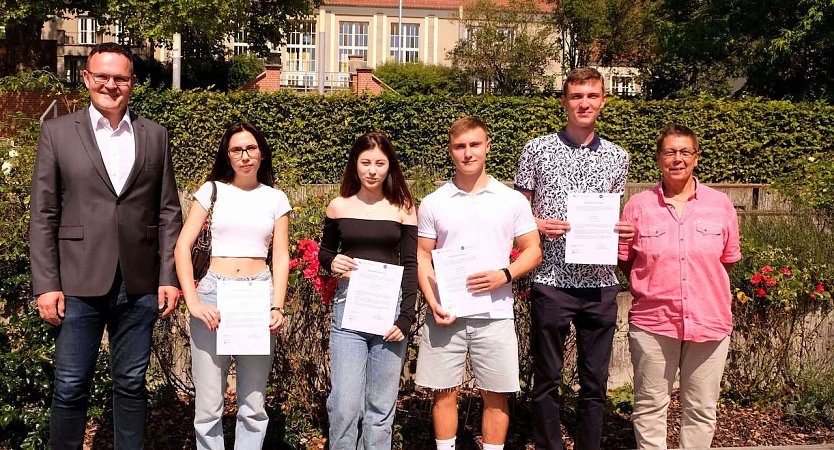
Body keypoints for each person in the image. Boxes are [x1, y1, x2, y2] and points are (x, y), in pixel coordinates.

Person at [28, 42, 182, 449]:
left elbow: (168, 212)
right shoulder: (58, 132)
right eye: (102, 76)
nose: (110, 85)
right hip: (76, 283)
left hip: (140, 283)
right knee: (70, 385)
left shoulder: (155, 136)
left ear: (132, 83)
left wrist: (168, 277)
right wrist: (46, 284)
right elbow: (43, 213)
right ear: (87, 79)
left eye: (120, 78)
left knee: (131, 383)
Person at [513, 67, 634, 450]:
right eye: (577, 96)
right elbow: (514, 213)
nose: (585, 103)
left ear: (603, 101)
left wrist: (621, 230)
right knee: (547, 378)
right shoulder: (536, 149)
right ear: (564, 101)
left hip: (600, 284)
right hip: (551, 280)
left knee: (595, 382)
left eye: (592, 96)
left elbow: (614, 215)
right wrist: (538, 224)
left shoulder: (618, 157)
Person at [415, 116, 542, 450]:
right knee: (443, 392)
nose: (467, 153)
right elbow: (422, 256)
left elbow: (533, 250)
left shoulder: (512, 200)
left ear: (487, 146)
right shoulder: (433, 202)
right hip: (447, 313)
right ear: (450, 150)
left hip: (496, 314)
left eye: (474, 144)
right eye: (460, 146)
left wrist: (505, 274)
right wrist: (432, 302)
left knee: (497, 394)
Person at [618, 124, 741, 449]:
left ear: (696, 158)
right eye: (670, 152)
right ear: (658, 158)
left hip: (709, 323)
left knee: (701, 408)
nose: (677, 159)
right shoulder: (638, 206)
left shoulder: (721, 205)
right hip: (654, 324)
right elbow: (625, 260)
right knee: (649, 406)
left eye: (685, 152)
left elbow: (725, 261)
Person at [173, 121, 291, 449]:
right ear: (228, 155)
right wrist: (193, 302)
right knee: (209, 405)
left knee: (253, 405)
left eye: (251, 148)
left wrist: (277, 304)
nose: (244, 156)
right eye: (237, 150)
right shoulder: (211, 190)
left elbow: (280, 256)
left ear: (262, 152)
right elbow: (182, 247)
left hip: (258, 296)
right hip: (214, 294)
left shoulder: (276, 198)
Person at [317, 131, 417, 449]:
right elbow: (325, 253)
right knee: (345, 406)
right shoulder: (338, 206)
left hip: (390, 313)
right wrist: (332, 262)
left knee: (380, 409)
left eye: (379, 163)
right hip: (349, 311)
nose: (372, 170)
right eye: (365, 163)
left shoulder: (403, 208)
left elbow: (412, 264)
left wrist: (406, 318)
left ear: (389, 167)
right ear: (355, 165)